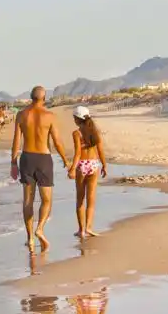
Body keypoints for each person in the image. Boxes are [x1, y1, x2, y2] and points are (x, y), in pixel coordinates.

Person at [10, 86, 68, 250]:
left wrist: (13, 162)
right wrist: (65, 159)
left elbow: (16, 141)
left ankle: (30, 239)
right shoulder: (50, 116)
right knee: (47, 200)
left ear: (30, 97)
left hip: (27, 158)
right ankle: (40, 228)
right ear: (44, 98)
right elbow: (57, 141)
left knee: (28, 201)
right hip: (43, 159)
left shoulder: (21, 115)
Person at [67, 106, 108, 239]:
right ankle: (89, 227)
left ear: (78, 119)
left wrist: (72, 168)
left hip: (82, 165)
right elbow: (100, 150)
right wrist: (104, 165)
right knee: (91, 199)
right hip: (94, 164)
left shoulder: (76, 133)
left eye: (74, 118)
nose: (74, 120)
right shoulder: (95, 132)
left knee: (80, 199)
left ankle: (81, 230)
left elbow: (78, 153)